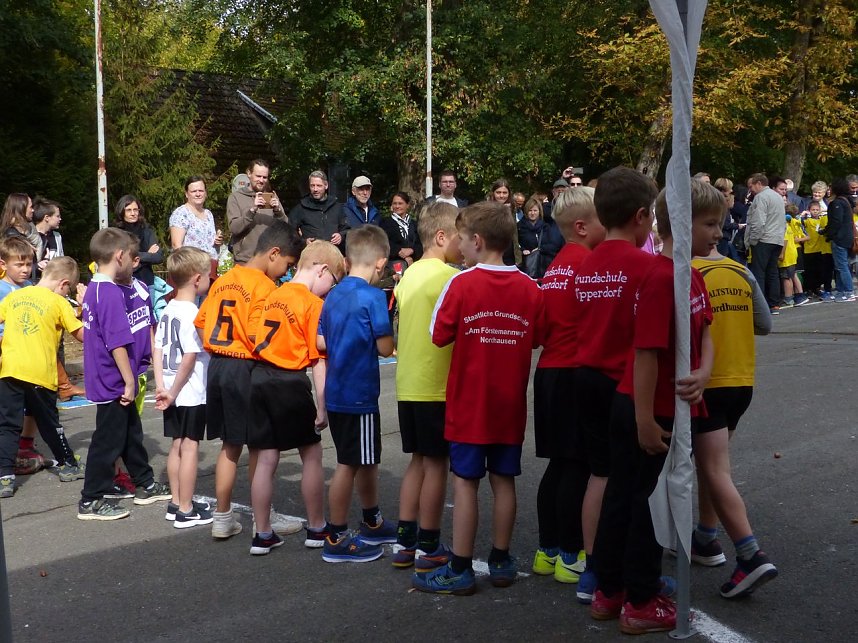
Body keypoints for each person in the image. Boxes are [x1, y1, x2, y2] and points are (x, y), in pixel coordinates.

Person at [591, 179, 715, 634]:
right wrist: (645, 420)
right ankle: (637, 599)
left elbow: (706, 332)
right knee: (646, 505)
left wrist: (704, 373)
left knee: (630, 497)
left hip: (664, 406)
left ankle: (614, 589)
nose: (718, 233)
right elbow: (645, 353)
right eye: (710, 224)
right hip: (648, 410)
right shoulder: (662, 279)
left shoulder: (692, 275)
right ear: (681, 223)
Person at [412, 201, 544, 595]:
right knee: (504, 481)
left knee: (466, 483)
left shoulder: (461, 284)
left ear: (478, 241)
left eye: (463, 239)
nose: (460, 246)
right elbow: (538, 337)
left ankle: (460, 566)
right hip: (509, 406)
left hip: (469, 406)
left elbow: (437, 334)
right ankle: (501, 559)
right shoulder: (531, 288)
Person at [570, 167, 659, 605]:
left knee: (601, 475)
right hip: (624, 385)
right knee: (633, 485)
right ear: (641, 216)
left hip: (585, 375)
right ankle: (626, 573)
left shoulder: (587, 264)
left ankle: (596, 570)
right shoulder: (647, 266)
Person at [194, 221, 304, 538]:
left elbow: (201, 323)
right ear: (274, 253)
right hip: (246, 367)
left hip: (219, 365)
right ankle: (262, 517)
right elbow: (259, 336)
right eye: (287, 265)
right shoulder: (265, 288)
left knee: (230, 445)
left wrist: (218, 346)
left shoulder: (224, 280)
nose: (285, 272)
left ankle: (222, 517)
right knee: (259, 444)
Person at [692, 216, 778, 600]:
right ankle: (706, 537)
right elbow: (765, 323)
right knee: (713, 463)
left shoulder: (685, 272)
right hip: (741, 380)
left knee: (713, 467)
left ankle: (749, 553)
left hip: (707, 381)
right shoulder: (740, 270)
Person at [249, 241, 344, 555]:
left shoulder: (273, 294)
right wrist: (322, 406)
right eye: (332, 282)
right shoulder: (312, 304)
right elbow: (318, 360)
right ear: (322, 270)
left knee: (266, 458)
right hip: (289, 380)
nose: (329, 291)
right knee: (311, 454)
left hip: (259, 376)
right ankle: (317, 526)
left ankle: (262, 532)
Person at [531, 187, 605, 590]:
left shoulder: (555, 266)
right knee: (578, 466)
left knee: (558, 464)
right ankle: (572, 554)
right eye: (602, 219)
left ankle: (547, 550)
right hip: (577, 372)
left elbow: (540, 330)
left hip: (549, 373)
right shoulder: (590, 265)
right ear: (581, 227)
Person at [78, 228, 171, 520]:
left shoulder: (96, 288)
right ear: (119, 256)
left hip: (111, 376)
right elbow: (116, 341)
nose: (134, 263)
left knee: (130, 432)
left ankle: (144, 482)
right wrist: (129, 380)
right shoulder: (108, 293)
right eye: (131, 258)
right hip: (113, 379)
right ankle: (91, 499)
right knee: (108, 440)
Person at [317, 225, 396, 563]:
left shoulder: (333, 295)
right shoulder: (374, 297)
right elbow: (385, 348)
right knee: (350, 464)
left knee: (364, 460)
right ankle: (336, 535)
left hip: (338, 392)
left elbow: (322, 341)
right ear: (381, 263)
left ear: (347, 260)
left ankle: (371, 519)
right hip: (359, 394)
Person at [390, 202, 462, 570]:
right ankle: (429, 543)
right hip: (436, 385)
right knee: (437, 464)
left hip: (408, 384)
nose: (464, 245)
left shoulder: (409, 275)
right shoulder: (451, 278)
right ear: (442, 237)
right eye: (460, 237)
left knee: (417, 461)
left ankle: (405, 541)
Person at [0, 256, 87, 497]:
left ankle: (5, 476)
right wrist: (88, 310)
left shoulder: (14, 297)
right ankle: (68, 463)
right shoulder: (58, 302)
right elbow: (81, 335)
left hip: (10, 370)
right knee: (50, 423)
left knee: (8, 424)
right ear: (64, 284)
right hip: (40, 373)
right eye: (68, 289)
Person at [153, 247, 214, 529]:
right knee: (190, 447)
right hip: (188, 390)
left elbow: (157, 349)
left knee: (176, 444)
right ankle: (186, 509)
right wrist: (174, 391)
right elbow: (190, 356)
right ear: (197, 279)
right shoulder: (192, 313)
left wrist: (161, 386)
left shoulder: (168, 309)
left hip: (169, 386)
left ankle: (176, 501)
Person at [227, 159, 288, 264]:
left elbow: (285, 228)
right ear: (249, 173)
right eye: (258, 176)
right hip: (245, 260)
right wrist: (252, 210)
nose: (261, 180)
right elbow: (234, 228)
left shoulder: (272, 197)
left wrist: (278, 211)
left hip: (268, 260)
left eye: (265, 177)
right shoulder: (236, 197)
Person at [744, 173, 786, 312]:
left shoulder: (761, 197)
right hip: (777, 239)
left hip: (764, 239)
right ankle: (774, 303)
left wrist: (753, 240)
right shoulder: (778, 197)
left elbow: (758, 221)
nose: (750, 190)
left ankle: (760, 304)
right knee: (772, 271)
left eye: (751, 186)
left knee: (759, 272)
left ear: (758, 183)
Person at [288, 170, 348, 249]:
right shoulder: (300, 209)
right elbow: (290, 232)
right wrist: (303, 242)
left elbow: (347, 229)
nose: (315, 189)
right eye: (312, 186)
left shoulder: (337, 207)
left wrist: (341, 236)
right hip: (311, 252)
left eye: (319, 186)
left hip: (333, 252)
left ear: (326, 186)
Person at [113, 195, 163, 287]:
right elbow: (121, 260)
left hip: (147, 283)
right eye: (129, 210)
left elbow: (158, 257)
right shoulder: (117, 233)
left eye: (135, 210)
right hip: (125, 283)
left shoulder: (146, 230)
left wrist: (133, 257)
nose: (133, 213)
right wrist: (148, 254)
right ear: (121, 212)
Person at [170, 176, 223, 260]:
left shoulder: (208, 214)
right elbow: (176, 245)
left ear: (205, 193)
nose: (198, 194)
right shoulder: (181, 213)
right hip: (192, 264)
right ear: (186, 194)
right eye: (194, 191)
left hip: (211, 263)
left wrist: (216, 240)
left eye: (201, 191)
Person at [824, 178, 856, 302]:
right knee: (844, 265)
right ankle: (841, 290)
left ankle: (848, 291)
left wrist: (829, 234)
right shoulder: (848, 201)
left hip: (840, 238)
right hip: (848, 237)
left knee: (841, 266)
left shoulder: (837, 203)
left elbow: (836, 221)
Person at [380, 192, 422, 269]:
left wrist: (412, 250)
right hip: (394, 263)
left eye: (400, 203)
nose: (397, 206)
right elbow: (383, 242)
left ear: (407, 205)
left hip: (414, 262)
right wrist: (399, 252)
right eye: (394, 203)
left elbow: (420, 244)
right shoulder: (385, 223)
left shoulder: (414, 224)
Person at [778, 208, 809, 307]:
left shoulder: (786, 226)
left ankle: (789, 297)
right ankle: (798, 294)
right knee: (793, 275)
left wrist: (781, 254)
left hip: (787, 254)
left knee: (786, 277)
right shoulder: (789, 225)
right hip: (792, 253)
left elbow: (785, 240)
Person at [490, 178, 522, 266]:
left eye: (504, 193)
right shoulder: (487, 208)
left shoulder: (512, 208)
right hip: (493, 251)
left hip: (509, 252)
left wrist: (517, 256)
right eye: (498, 192)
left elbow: (514, 232)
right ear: (493, 193)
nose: (501, 196)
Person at [801, 200, 828, 299]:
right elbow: (799, 222)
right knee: (809, 271)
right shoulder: (807, 221)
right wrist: (802, 215)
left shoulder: (822, 220)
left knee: (819, 270)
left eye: (817, 209)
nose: (815, 211)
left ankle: (817, 288)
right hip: (809, 249)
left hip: (820, 249)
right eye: (813, 210)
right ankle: (808, 289)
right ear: (809, 210)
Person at [32, 197, 64, 275]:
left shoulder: (57, 237)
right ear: (47, 218)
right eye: (57, 216)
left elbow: (61, 260)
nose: (60, 219)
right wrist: (36, 267)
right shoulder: (30, 236)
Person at [517, 198, 544, 277]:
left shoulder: (545, 227)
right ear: (526, 211)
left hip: (542, 264)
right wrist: (522, 250)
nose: (532, 213)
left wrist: (540, 248)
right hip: (526, 263)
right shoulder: (519, 226)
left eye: (535, 210)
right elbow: (515, 243)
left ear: (539, 211)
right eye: (530, 210)